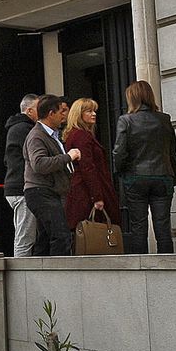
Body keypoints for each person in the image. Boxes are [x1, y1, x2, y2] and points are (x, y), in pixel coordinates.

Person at [112, 80, 176, 254]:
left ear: (132, 98)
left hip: (135, 176)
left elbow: (119, 152)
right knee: (163, 226)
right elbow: (172, 148)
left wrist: (120, 171)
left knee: (138, 226)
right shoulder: (164, 119)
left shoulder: (126, 120)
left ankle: (140, 264)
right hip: (163, 176)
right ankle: (168, 264)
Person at [22, 94, 81, 256]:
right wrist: (68, 157)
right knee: (61, 236)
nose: (64, 115)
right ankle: (59, 270)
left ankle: (39, 270)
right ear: (50, 114)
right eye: (61, 111)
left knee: (45, 239)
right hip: (41, 192)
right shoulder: (37, 136)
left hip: (49, 191)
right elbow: (39, 164)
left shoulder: (51, 135)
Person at [62, 97, 120, 243]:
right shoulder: (81, 136)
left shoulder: (76, 134)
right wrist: (97, 196)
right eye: (88, 111)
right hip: (86, 191)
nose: (93, 114)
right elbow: (87, 167)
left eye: (94, 111)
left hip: (83, 188)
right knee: (91, 232)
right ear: (79, 114)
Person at [2, 94, 39, 257]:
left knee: (25, 235)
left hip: (14, 187)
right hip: (21, 188)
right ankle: (21, 271)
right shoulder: (26, 129)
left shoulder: (15, 128)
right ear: (29, 110)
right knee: (25, 238)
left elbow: (7, 160)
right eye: (39, 108)